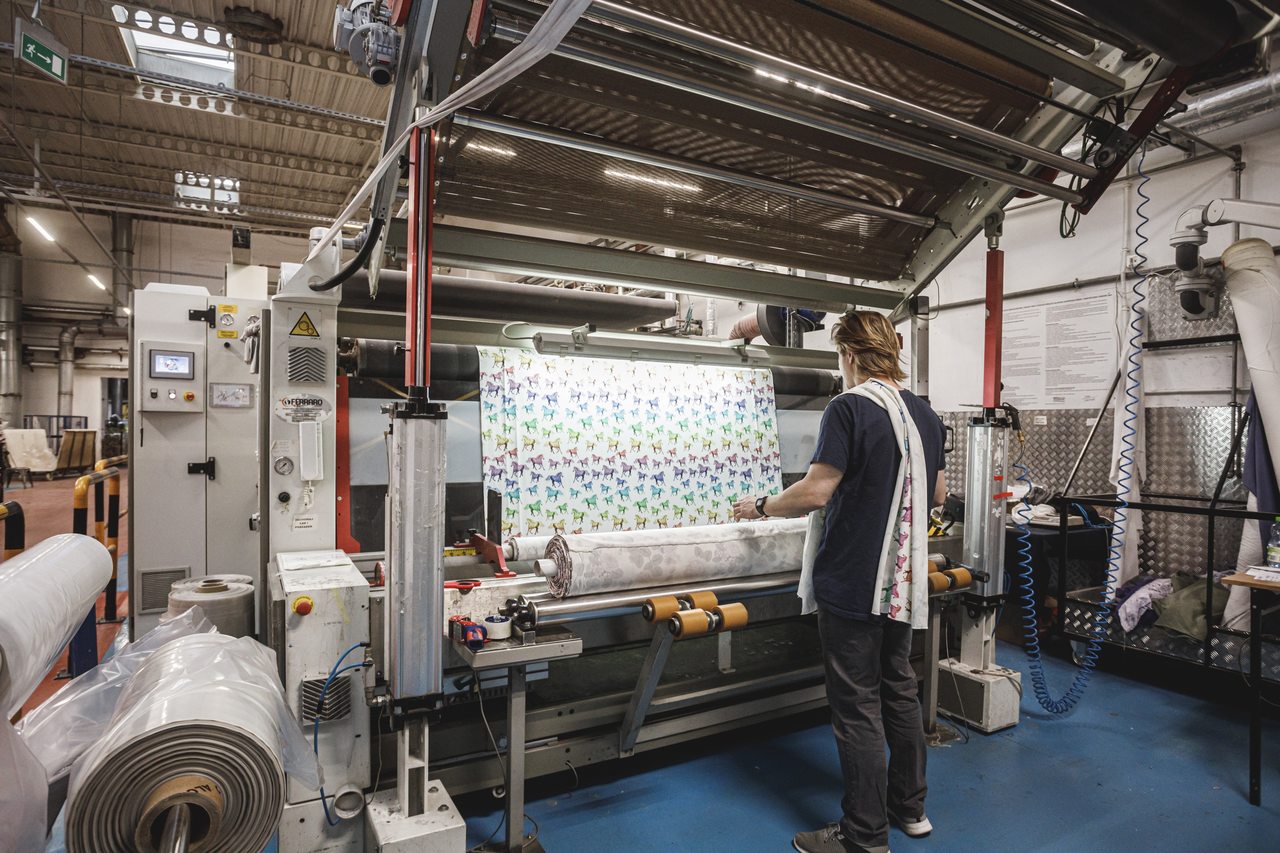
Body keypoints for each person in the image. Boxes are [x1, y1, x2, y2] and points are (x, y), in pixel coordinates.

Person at [732, 310, 947, 853]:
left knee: (856, 705)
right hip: (902, 582)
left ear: (849, 354)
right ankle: (910, 808)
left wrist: (761, 505)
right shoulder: (926, 414)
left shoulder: (848, 407)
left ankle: (863, 835)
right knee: (899, 689)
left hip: (852, 580)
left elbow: (815, 491)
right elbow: (938, 495)